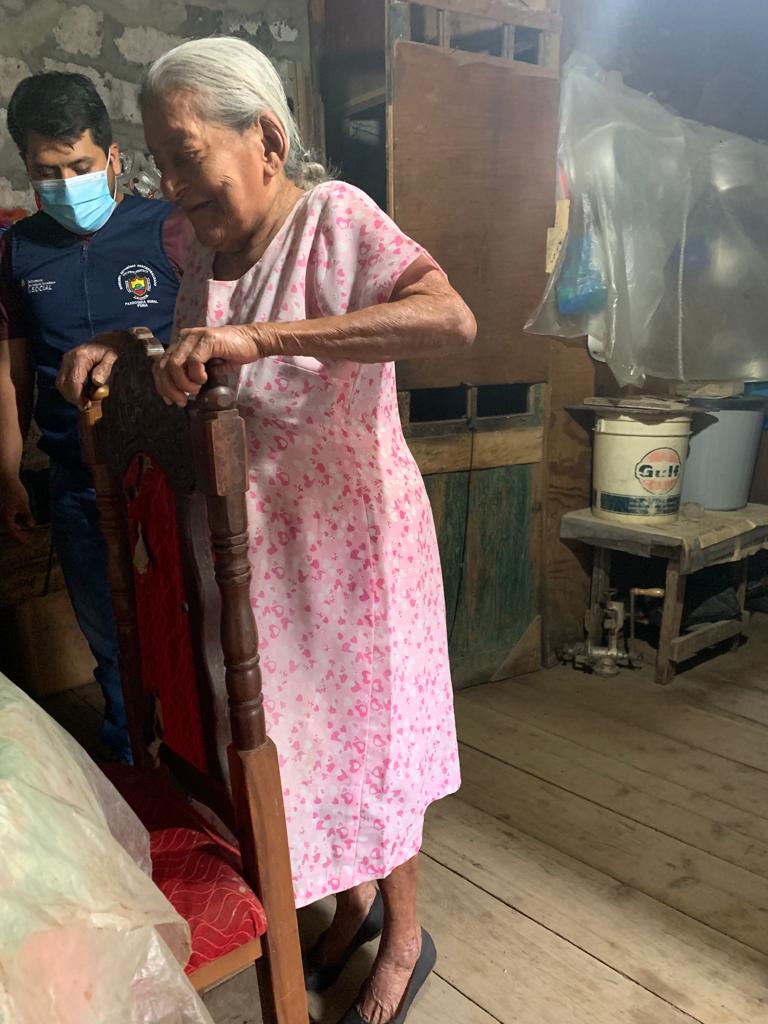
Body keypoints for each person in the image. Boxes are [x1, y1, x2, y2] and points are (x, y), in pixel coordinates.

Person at [57, 37, 476, 1024]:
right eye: (159, 160)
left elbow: (448, 319)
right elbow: (189, 348)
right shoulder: (193, 246)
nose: (169, 183)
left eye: (185, 154)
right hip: (257, 559)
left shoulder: (336, 220)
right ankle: (350, 907)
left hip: (352, 547)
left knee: (372, 747)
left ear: (268, 141)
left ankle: (403, 937)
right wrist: (121, 343)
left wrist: (263, 337)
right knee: (295, 748)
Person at [0, 72, 191, 763]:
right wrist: (8, 473)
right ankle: (134, 768)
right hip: (79, 482)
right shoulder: (18, 250)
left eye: (78, 166)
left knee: (190, 630)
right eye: (46, 172)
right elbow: (11, 373)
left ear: (112, 157)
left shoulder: (170, 228)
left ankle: (201, 773)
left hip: (174, 480)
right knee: (111, 643)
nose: (64, 184)